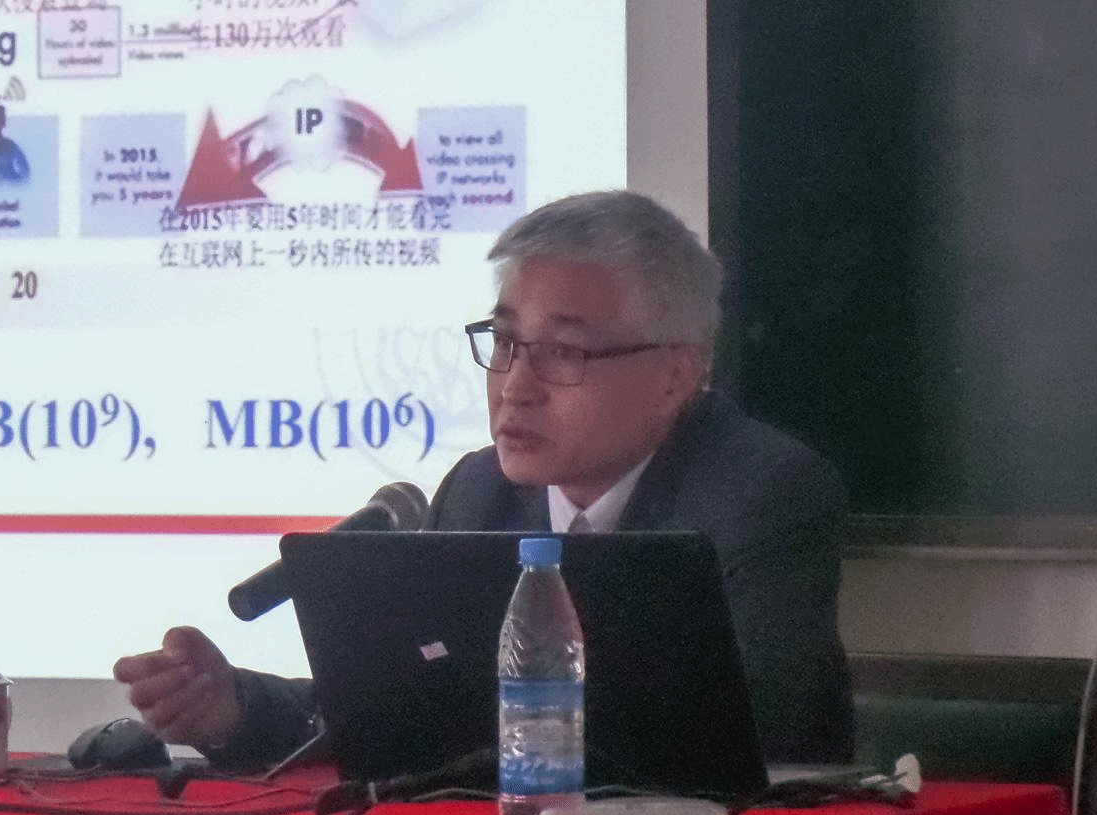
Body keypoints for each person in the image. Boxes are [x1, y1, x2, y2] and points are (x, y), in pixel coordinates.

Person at [114, 190, 853, 765]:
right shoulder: (480, 492)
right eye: (504, 342)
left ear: (674, 378)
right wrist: (237, 708)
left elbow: (742, 728)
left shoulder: (761, 494)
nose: (515, 388)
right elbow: (399, 708)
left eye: (564, 352)